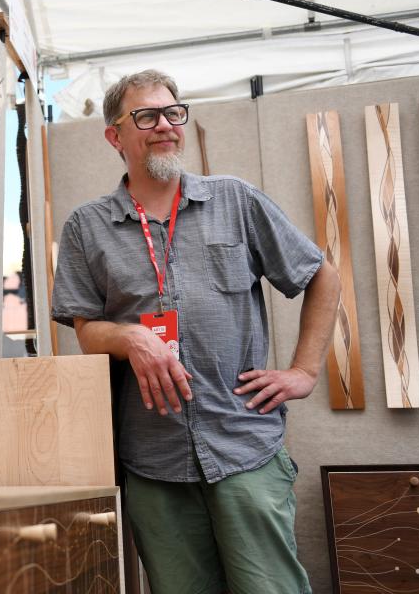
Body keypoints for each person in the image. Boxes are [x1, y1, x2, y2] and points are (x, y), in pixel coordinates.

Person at [51, 69, 340, 594]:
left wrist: (304, 369)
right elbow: (87, 331)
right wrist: (131, 337)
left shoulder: (236, 200)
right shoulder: (85, 227)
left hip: (244, 445)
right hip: (153, 460)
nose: (165, 125)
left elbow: (322, 276)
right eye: (146, 116)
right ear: (115, 135)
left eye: (173, 113)